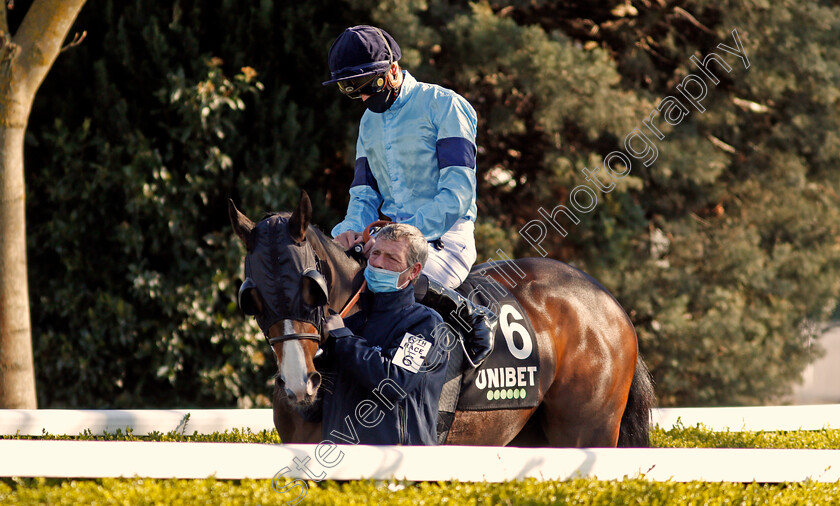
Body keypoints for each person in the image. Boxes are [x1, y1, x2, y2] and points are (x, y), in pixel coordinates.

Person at [322, 24, 496, 367]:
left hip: (444, 238)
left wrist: (398, 238)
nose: (364, 98)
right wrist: (350, 230)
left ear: (393, 70)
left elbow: (457, 194)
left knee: (387, 279)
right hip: (384, 238)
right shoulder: (367, 124)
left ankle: (471, 314)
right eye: (350, 89)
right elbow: (363, 194)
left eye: (367, 85)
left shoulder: (446, 105)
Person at [319, 224, 448, 445]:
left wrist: (343, 339)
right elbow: (313, 408)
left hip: (401, 468)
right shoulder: (349, 325)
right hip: (340, 468)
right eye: (376, 253)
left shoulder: (426, 323)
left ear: (414, 271)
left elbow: (393, 382)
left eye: (391, 258)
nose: (378, 262)